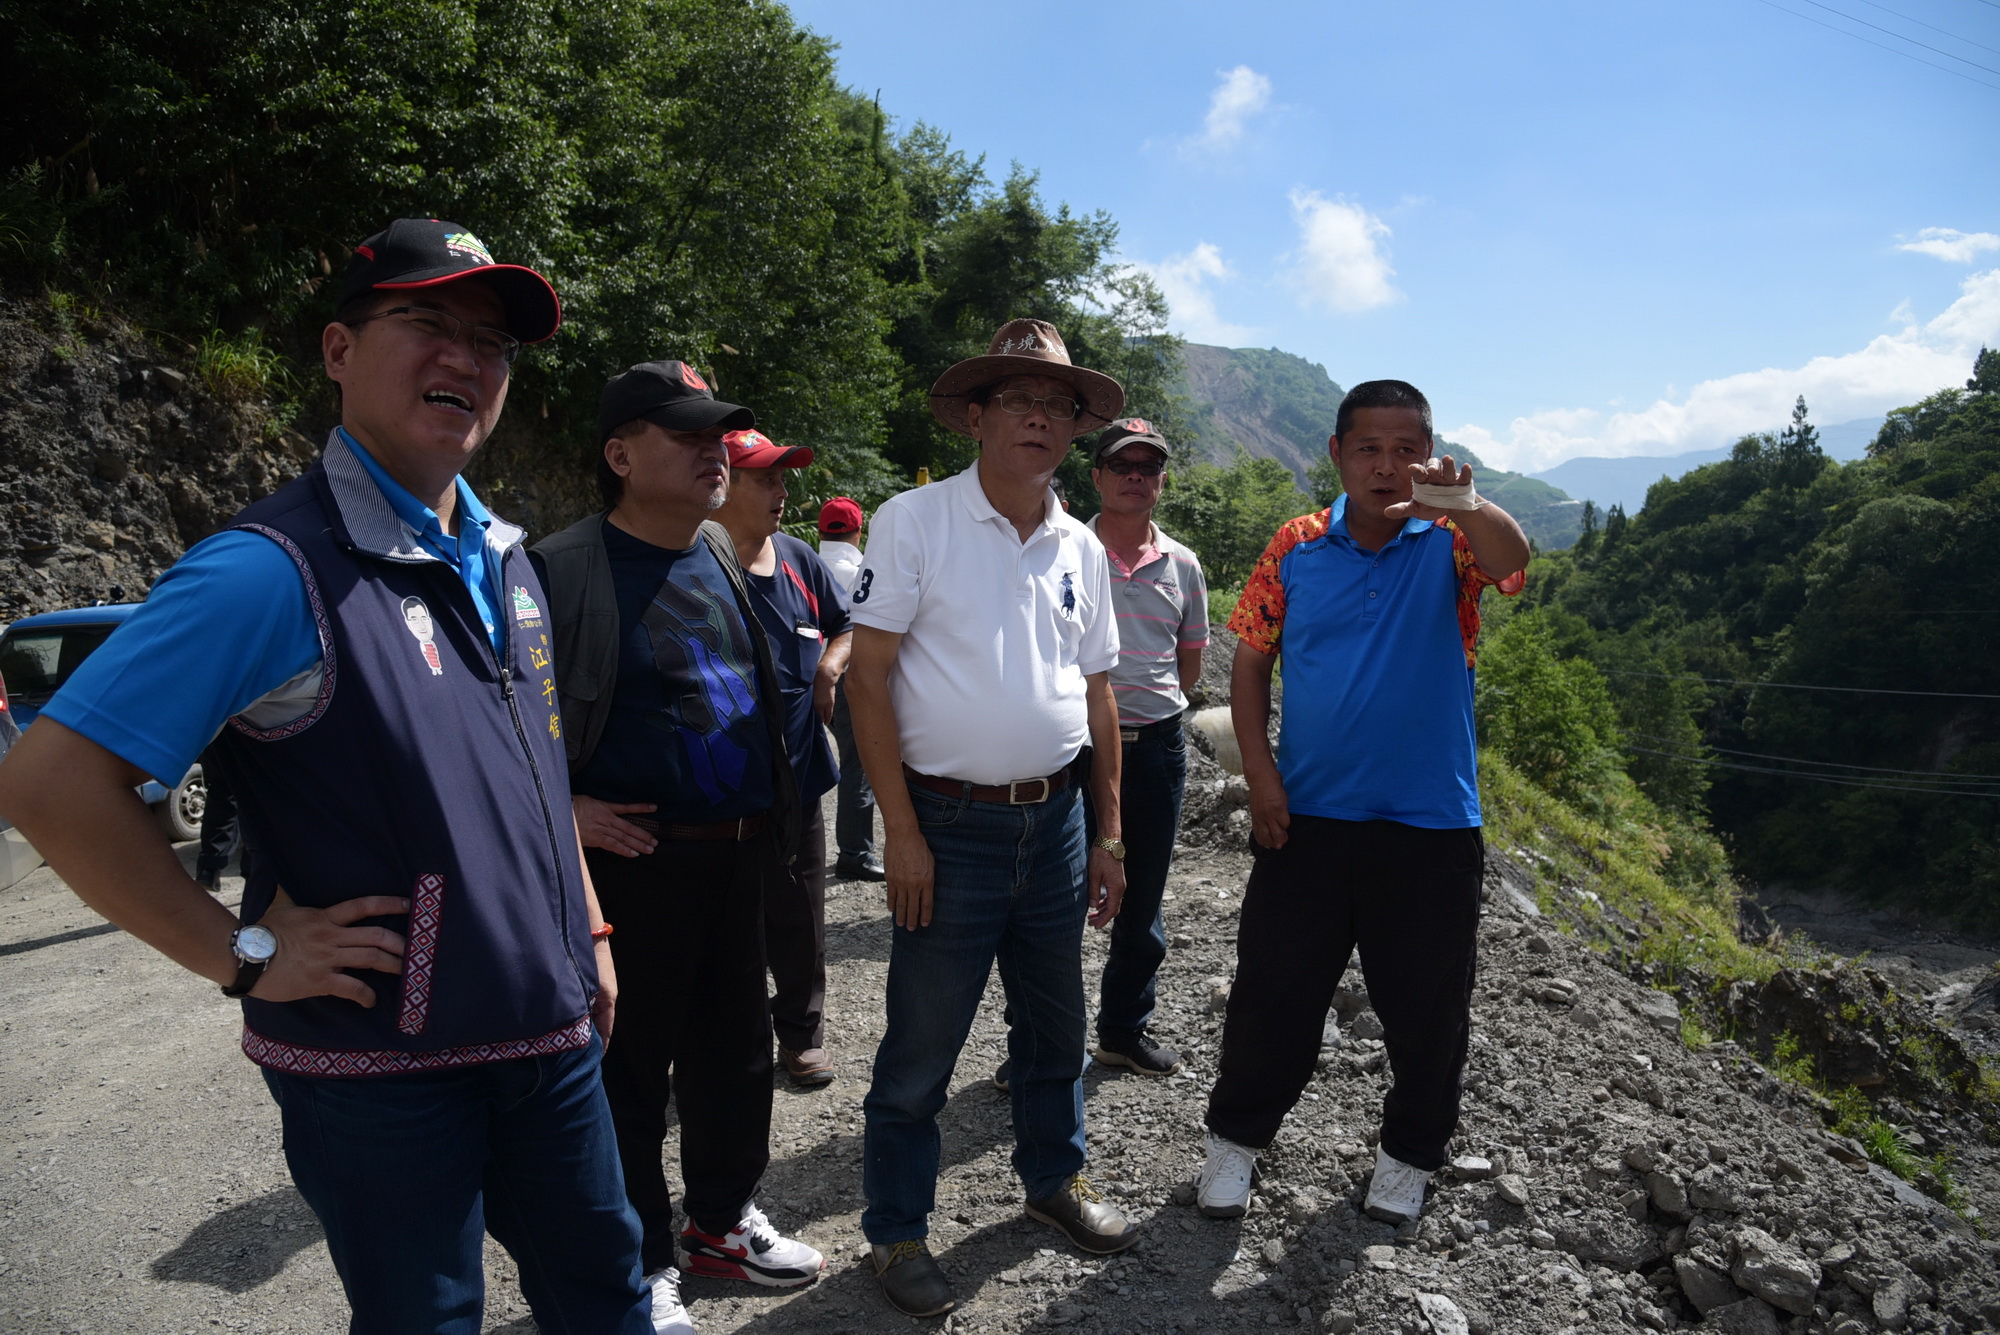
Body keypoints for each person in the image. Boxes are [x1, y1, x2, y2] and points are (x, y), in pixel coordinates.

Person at [0, 218, 668, 1332]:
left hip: (546, 1032)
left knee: (604, 1289)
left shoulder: (507, 558)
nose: (465, 358)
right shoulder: (267, 571)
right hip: (379, 1064)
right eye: (424, 323)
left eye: (491, 344)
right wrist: (243, 954)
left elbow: (533, 776)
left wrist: (588, 932)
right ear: (337, 351)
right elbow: (49, 788)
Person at [845, 318, 1139, 1318]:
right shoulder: (915, 520)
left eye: (1056, 405)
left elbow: (1098, 694)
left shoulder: (1077, 545)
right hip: (950, 824)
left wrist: (1106, 833)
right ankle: (894, 1233)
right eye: (1017, 400)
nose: (1038, 419)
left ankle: (1053, 1181)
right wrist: (902, 832)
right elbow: (868, 681)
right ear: (975, 415)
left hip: (1054, 825)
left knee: (1055, 1029)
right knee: (920, 1048)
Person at [1194, 379, 1530, 1227]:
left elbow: (1513, 561)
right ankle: (1234, 1146)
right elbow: (1247, 661)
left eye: (1405, 449)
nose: (1387, 466)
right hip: (1308, 820)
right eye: (1368, 449)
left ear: (1428, 453)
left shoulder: (1452, 541)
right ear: (1338, 454)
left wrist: (1465, 501)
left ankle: (1409, 1158)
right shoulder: (1297, 545)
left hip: (1431, 827)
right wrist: (1263, 777)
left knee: (1427, 1011)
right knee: (1274, 993)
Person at [530, 362, 823, 1328]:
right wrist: (565, 804)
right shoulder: (558, 569)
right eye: (687, 436)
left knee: (736, 1054)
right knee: (629, 1069)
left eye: (719, 438)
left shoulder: (713, 549)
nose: (715, 453)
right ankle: (643, 1255)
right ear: (620, 454)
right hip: (632, 864)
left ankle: (721, 1221)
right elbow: (499, 720)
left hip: (737, 853)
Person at [712, 431, 852, 1086]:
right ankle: (721, 1047)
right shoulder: (693, 564)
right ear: (723, 483)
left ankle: (801, 1035)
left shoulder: (799, 559)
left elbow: (850, 624)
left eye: (783, 477)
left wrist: (829, 663)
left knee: (802, 917)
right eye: (766, 478)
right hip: (719, 791)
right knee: (725, 926)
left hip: (800, 778)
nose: (782, 491)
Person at [1083, 417, 1208, 1077]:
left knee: (1143, 895)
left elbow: (1189, 665)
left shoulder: (1183, 564)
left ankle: (1121, 1032)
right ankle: (1036, 1043)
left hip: (1156, 748)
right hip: (1072, 748)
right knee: (1049, 899)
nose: (1136, 476)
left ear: (1161, 481)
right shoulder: (1065, 551)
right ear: (1097, 475)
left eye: (1148, 466)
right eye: (1122, 464)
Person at [817, 497, 883, 883]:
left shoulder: (800, 563)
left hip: (800, 679)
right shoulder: (863, 572)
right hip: (845, 680)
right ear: (859, 531)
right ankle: (855, 853)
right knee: (857, 766)